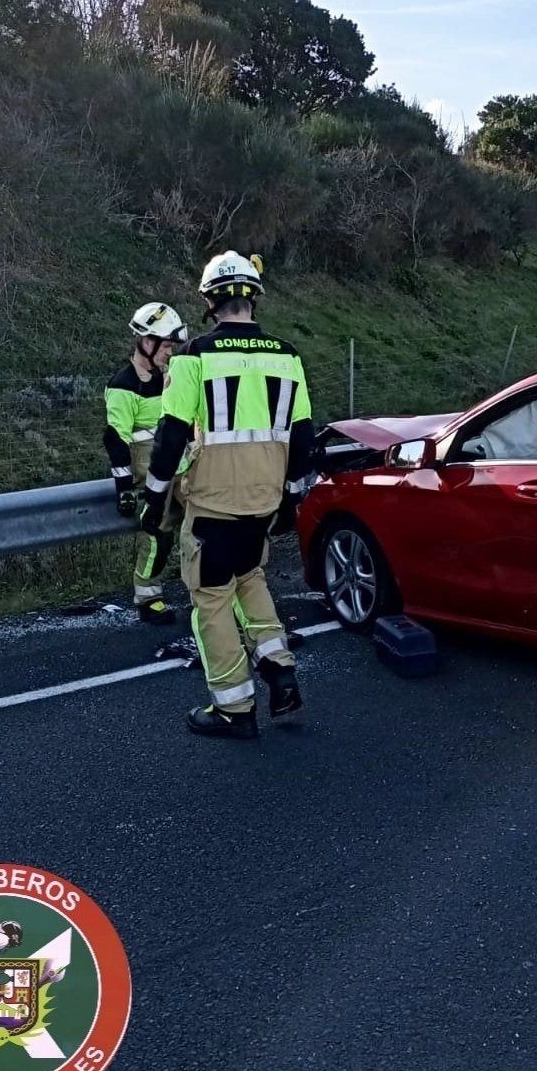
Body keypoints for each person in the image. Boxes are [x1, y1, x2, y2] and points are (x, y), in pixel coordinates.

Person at [140, 252, 313, 738]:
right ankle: (279, 667)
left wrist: (155, 496)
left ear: (210, 301)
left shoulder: (195, 355)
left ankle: (234, 709)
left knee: (213, 600)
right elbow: (303, 435)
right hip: (265, 499)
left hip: (214, 501)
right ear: (252, 297)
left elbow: (172, 432)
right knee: (251, 578)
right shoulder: (288, 355)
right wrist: (293, 497)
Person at [103, 303, 188, 625]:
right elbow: (116, 438)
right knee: (158, 532)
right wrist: (124, 487)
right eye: (166, 345)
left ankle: (214, 590)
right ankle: (147, 594)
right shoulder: (123, 384)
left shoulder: (171, 376)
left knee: (208, 525)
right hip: (150, 467)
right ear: (146, 342)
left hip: (183, 461)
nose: (170, 352)